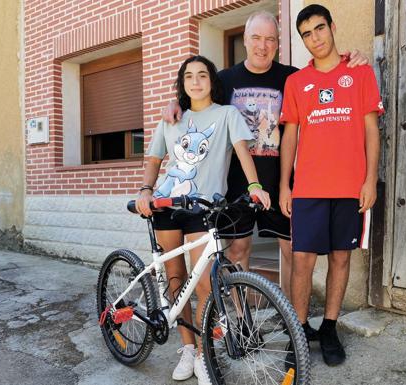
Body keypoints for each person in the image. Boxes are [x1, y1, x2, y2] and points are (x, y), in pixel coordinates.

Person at [162, 12, 370, 326]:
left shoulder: (292, 77)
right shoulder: (226, 80)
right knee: (238, 250)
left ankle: (289, 317)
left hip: (281, 182)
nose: (263, 45)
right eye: (256, 38)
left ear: (278, 43)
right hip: (237, 183)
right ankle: (243, 319)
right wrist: (173, 103)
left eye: (270, 39)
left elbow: (323, 78)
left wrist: (353, 57)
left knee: (291, 251)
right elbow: (196, 97)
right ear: (245, 40)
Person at [136, 55, 270, 385]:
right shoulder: (172, 119)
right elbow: (155, 158)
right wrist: (144, 190)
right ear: (182, 83)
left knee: (206, 286)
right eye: (189, 77)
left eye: (202, 75)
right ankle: (186, 348)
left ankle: (202, 353)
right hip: (167, 205)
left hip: (203, 209)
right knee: (176, 279)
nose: (196, 82)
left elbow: (242, 151)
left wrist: (255, 186)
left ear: (212, 80)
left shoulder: (227, 115)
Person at [279, 4, 384, 366]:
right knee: (303, 260)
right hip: (308, 188)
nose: (315, 39)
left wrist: (370, 180)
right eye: (306, 34)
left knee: (341, 257)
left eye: (319, 29)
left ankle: (329, 327)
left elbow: (372, 130)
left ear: (332, 26)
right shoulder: (295, 82)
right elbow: (289, 135)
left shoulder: (359, 72)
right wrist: (283, 185)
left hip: (349, 187)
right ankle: (299, 329)